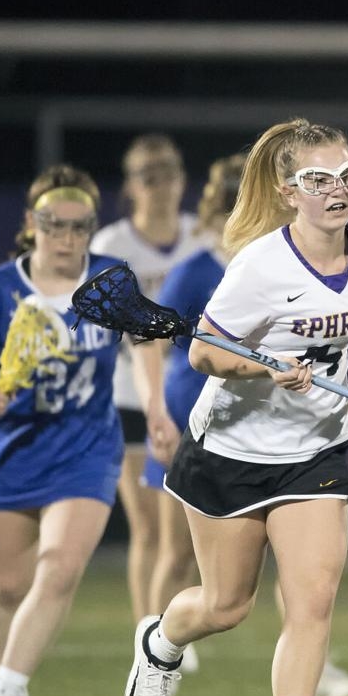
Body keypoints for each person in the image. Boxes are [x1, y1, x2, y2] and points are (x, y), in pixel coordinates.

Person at [121, 118, 348, 696]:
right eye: (320, 180)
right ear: (289, 191)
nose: (338, 190)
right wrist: (265, 366)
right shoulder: (259, 265)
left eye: (347, 177)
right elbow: (206, 352)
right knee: (224, 605)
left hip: (315, 449)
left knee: (313, 598)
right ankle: (160, 644)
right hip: (231, 449)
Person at [133, 152, 348, 696]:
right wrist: (156, 411)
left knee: (308, 582)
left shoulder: (317, 259)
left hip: (299, 438)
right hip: (212, 425)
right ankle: (162, 638)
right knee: (203, 579)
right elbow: (157, 340)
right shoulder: (209, 267)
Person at [0, 165, 124, 696]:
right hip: (14, 451)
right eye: (52, 225)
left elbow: (145, 341)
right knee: (10, 586)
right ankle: (8, 683)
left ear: (92, 228)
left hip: (87, 449)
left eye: (78, 226)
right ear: (30, 225)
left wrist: (161, 414)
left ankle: (7, 690)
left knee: (60, 567)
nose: (65, 238)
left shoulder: (111, 282)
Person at [90, 134, 209, 632]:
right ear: (131, 185)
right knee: (148, 528)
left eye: (168, 174)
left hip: (189, 397)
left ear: (183, 180)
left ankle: (171, 629)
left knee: (182, 534)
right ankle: (149, 633)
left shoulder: (200, 236)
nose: (160, 186)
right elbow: (104, 324)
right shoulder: (110, 246)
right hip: (127, 393)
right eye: (148, 176)